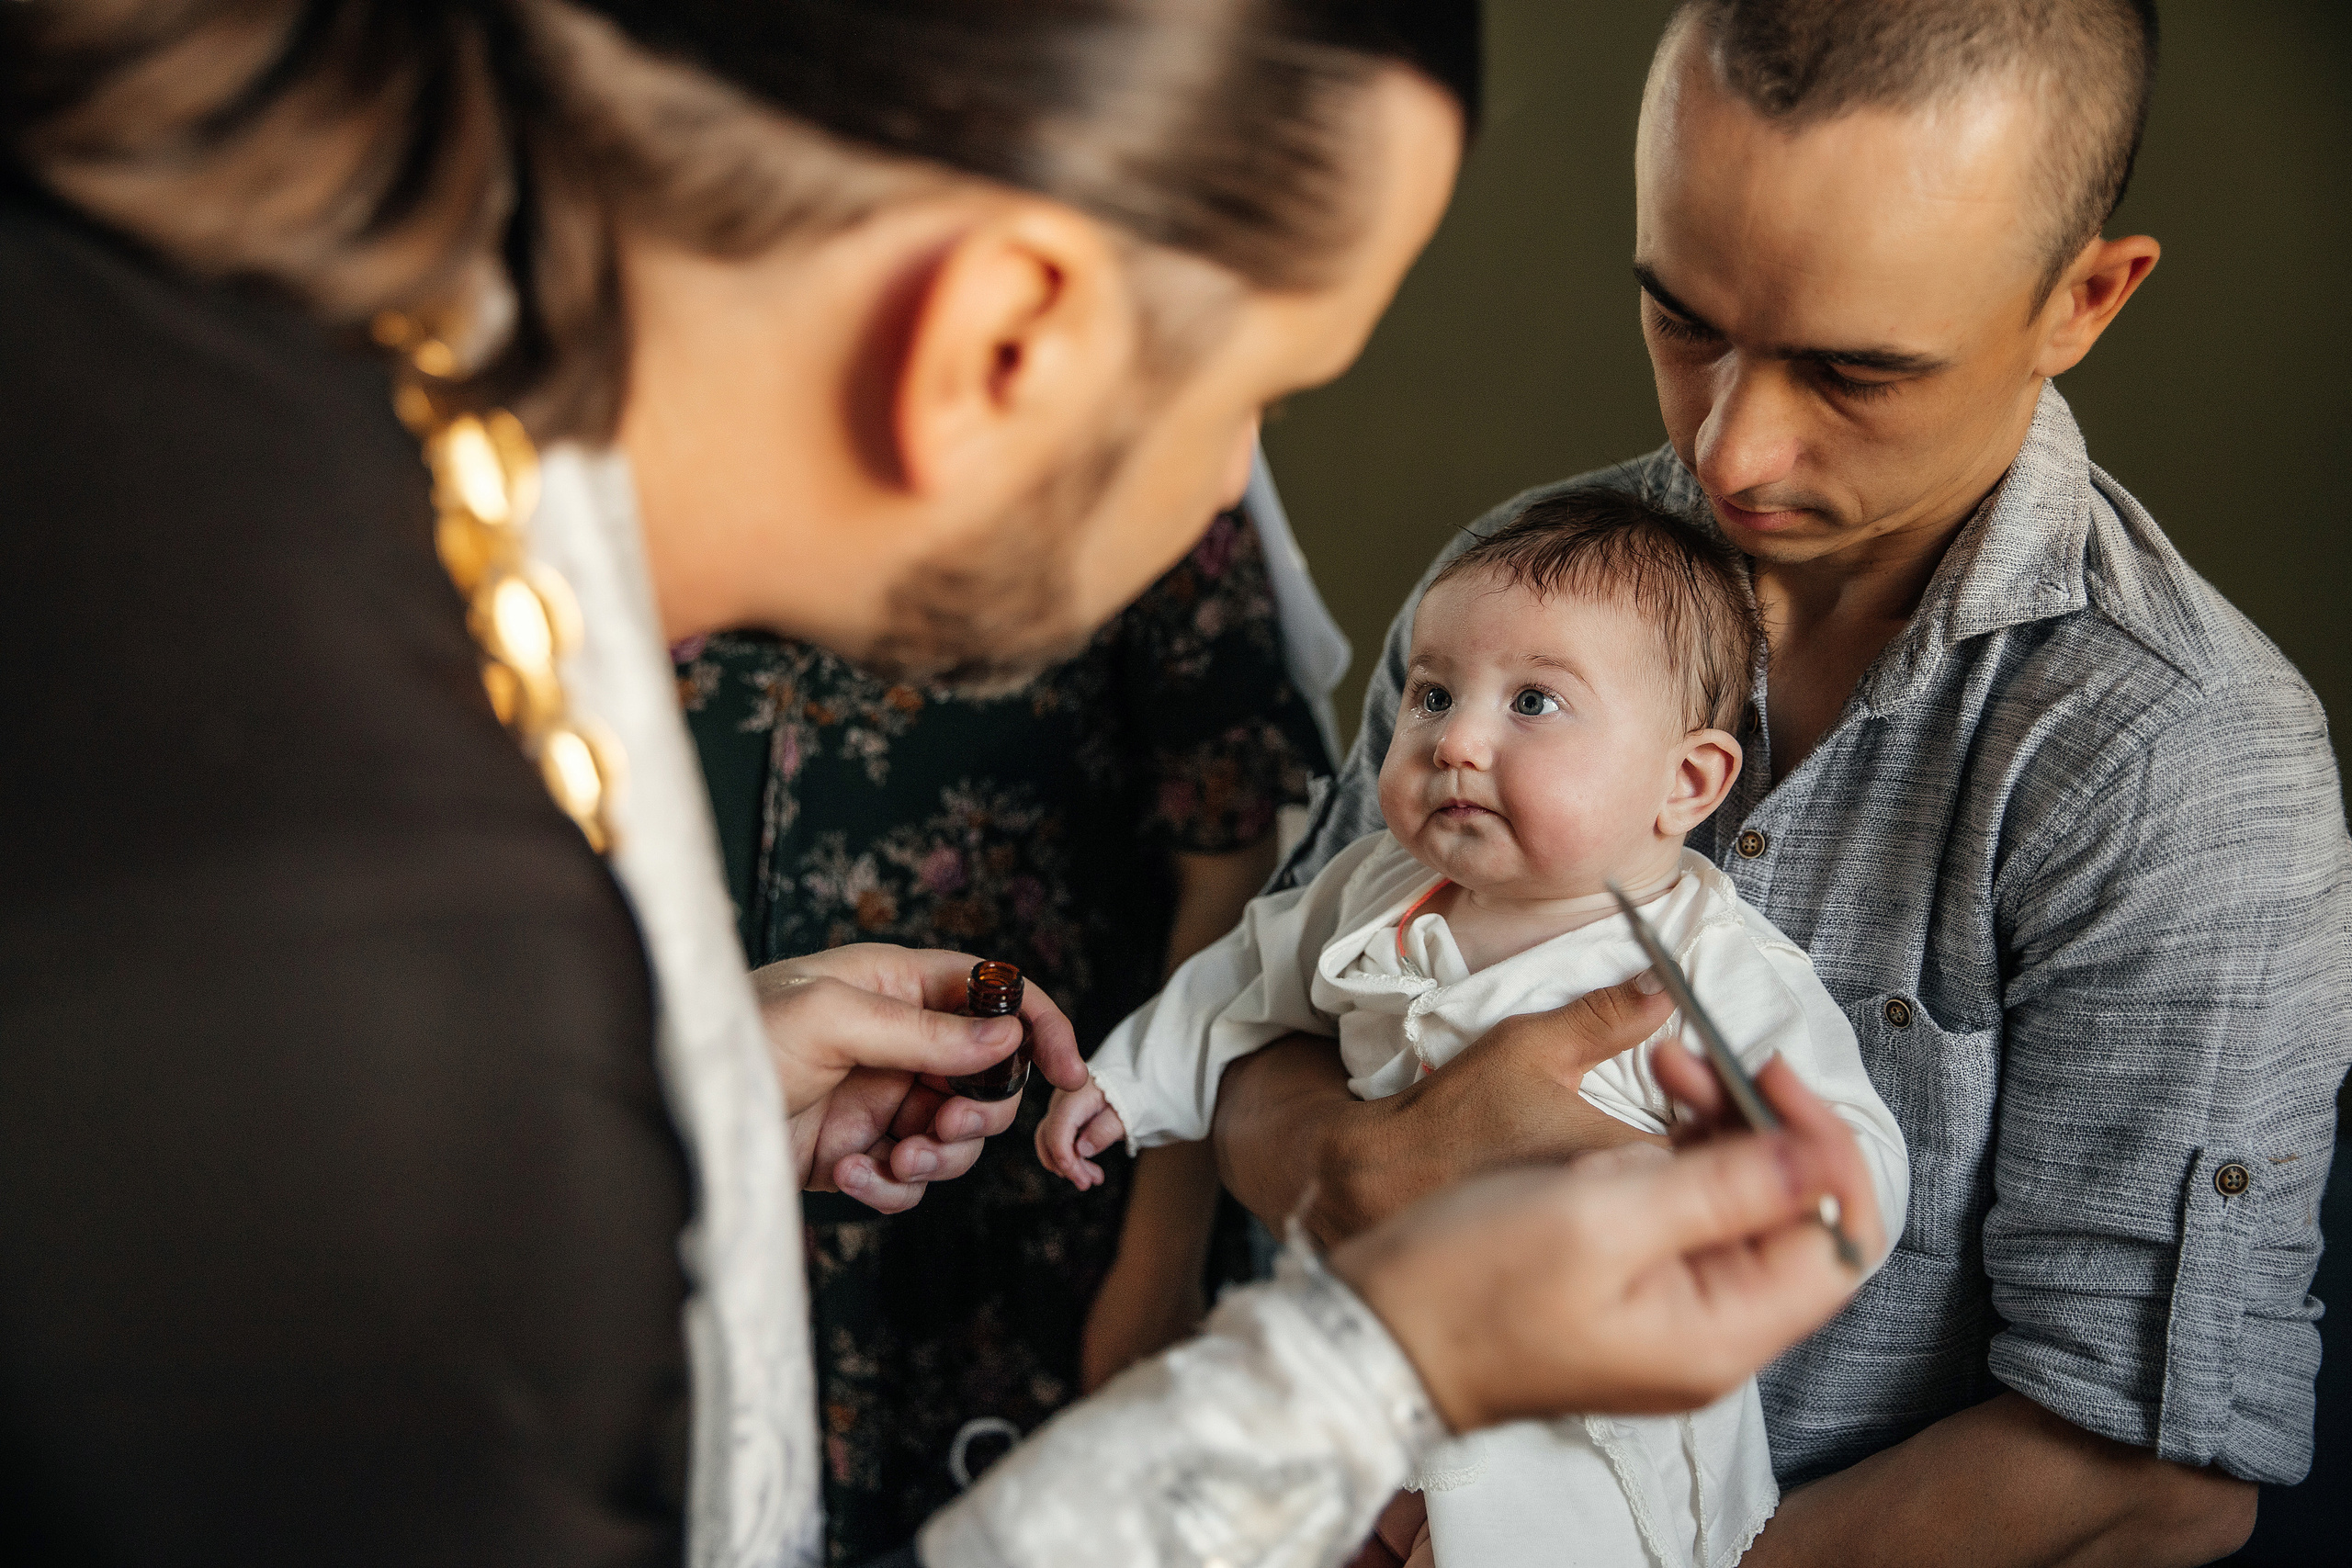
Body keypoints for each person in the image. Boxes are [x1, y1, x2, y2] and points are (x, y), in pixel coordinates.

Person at [0, 3, 1883, 1566]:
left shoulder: (221, 407)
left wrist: (695, 1076)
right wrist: (1365, 1370)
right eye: (1262, 397)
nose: (1234, 472)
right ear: (1002, 344)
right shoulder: (379, 997)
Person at [1208, 4, 2352, 1566]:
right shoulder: (1513, 590)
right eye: (1684, 321)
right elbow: (1251, 1040)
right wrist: (1361, 1160)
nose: (1734, 449)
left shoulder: (2174, 759)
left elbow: (2147, 1469)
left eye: (1854, 371)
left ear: (2085, 297)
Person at [1041, 491, 1907, 1568]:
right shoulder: (1377, 883)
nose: (1455, 740)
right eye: (1432, 693)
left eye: (1534, 702)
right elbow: (1241, 978)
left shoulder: (1707, 971)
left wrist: (1722, 1209)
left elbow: (1848, 1169)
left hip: (1576, 1430)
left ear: (1685, 782)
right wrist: (1125, 1085)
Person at [676, 501, 1327, 1562]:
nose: (1237, 460)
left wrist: (1159, 1266)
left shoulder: (1156, 473)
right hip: (693, 1142)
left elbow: (1229, 884)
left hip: (1025, 1192)